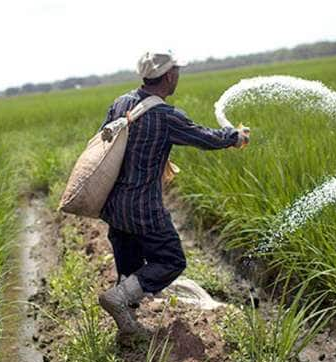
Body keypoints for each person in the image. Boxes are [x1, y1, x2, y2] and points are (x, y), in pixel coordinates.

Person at [98, 51, 250, 334]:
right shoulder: (165, 115)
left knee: (130, 265)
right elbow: (204, 137)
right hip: (143, 207)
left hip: (113, 205)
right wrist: (235, 137)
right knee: (170, 260)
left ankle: (127, 326)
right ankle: (118, 298)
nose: (178, 75)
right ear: (169, 76)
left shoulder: (121, 103)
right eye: (177, 71)